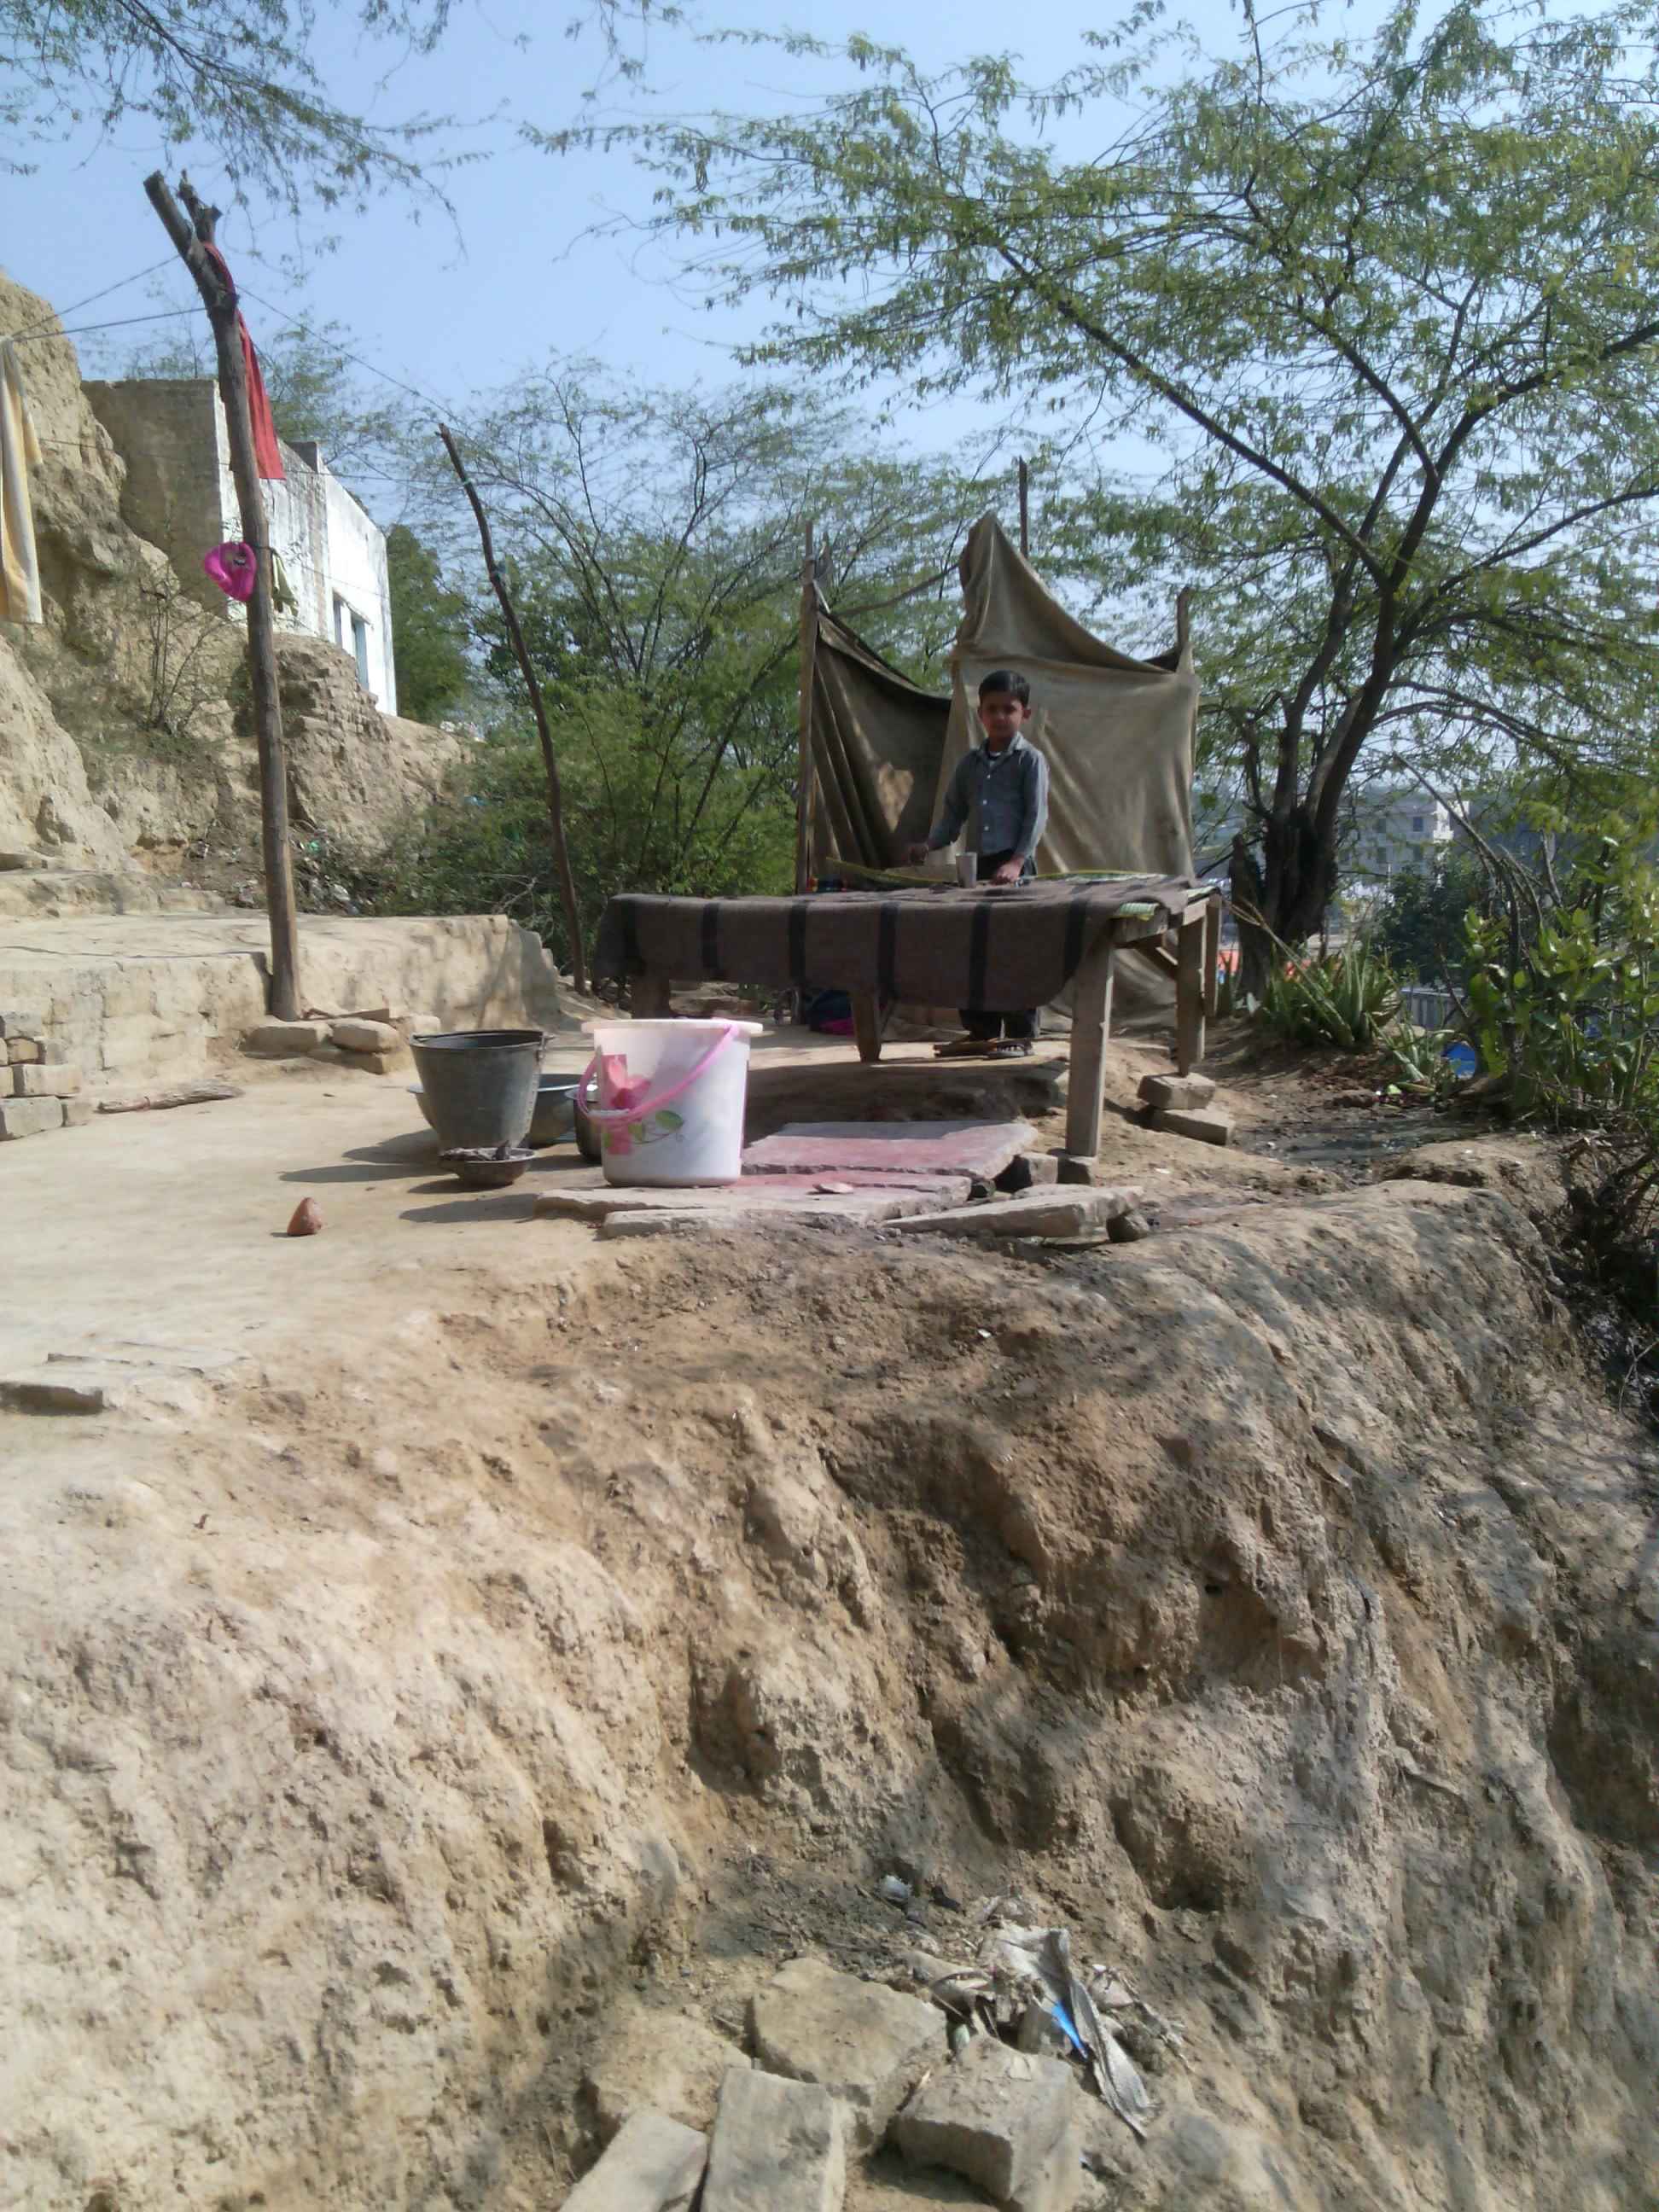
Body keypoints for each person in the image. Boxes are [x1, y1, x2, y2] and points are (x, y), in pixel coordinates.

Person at [907, 668, 1050, 1052]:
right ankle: (981, 1030)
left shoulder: (1030, 761)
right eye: (993, 709)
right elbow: (953, 814)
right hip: (978, 868)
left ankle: (1020, 1034)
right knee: (971, 950)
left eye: (1010, 709)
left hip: (1016, 869)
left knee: (1015, 952)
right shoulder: (969, 765)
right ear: (980, 714)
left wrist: (1018, 862)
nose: (1001, 716)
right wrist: (929, 844)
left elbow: (1036, 817)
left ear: (1026, 714)